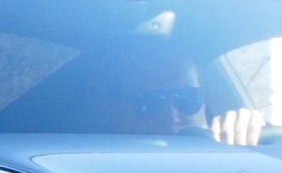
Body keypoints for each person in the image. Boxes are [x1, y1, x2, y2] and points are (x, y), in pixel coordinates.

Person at [91, 35, 264, 144]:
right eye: (149, 102)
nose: (171, 115)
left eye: (188, 98)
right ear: (117, 112)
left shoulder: (228, 148)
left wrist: (248, 130)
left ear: (204, 101)